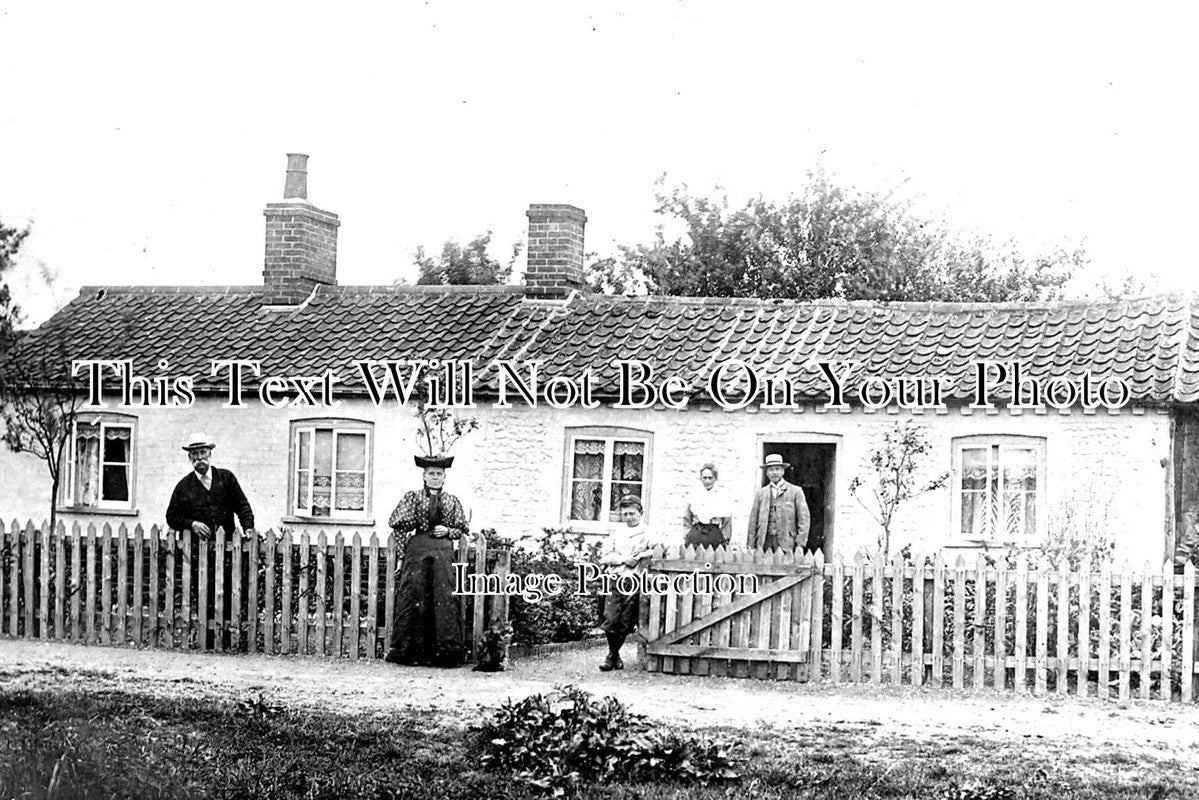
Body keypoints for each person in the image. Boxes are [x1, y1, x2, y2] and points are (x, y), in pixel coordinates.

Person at [384, 454, 469, 667]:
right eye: (431, 473)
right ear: (424, 475)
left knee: (444, 595)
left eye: (439, 474)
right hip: (418, 548)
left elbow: (461, 529)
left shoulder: (452, 500)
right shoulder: (413, 498)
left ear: (444, 478)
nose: (435, 478)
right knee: (414, 595)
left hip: (442, 550)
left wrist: (448, 530)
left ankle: (445, 654)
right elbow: (400, 527)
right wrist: (402, 558)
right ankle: (410, 653)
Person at [597, 494, 661, 672]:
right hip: (615, 579)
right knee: (611, 618)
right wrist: (624, 559)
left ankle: (612, 656)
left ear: (640, 513)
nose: (628, 517)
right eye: (625, 514)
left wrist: (640, 555)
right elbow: (605, 556)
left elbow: (657, 548)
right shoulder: (617, 533)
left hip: (633, 581)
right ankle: (613, 655)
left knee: (625, 622)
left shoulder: (647, 532)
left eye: (632, 513)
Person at [166, 432, 255, 538]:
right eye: (195, 453)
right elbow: (172, 517)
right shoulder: (183, 486)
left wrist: (248, 527)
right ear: (189, 457)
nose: (199, 457)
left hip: (227, 547)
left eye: (203, 452)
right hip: (194, 549)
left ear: (210, 455)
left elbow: (242, 507)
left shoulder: (227, 478)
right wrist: (192, 524)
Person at [746, 453, 810, 551]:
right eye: (771, 470)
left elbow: (804, 520)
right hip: (764, 542)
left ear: (783, 471)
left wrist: (800, 544)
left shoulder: (795, 491)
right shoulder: (761, 493)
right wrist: (751, 545)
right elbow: (753, 520)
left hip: (787, 542)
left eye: (777, 469)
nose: (774, 473)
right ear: (766, 472)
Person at [682, 462, 732, 548]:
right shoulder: (694, 494)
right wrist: (687, 534)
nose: (707, 481)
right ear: (700, 478)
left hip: (714, 533)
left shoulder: (722, 496)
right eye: (704, 478)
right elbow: (687, 518)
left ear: (715, 478)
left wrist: (725, 538)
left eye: (710, 478)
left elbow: (727, 522)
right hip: (696, 532)